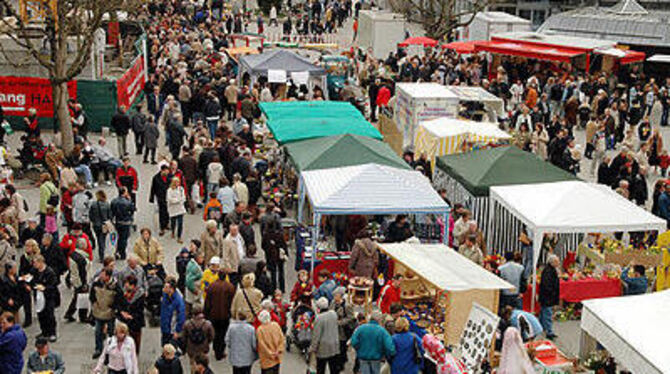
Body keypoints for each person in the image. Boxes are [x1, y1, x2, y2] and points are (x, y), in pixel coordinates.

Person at [90, 268, 123, 359]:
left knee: (111, 333)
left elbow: (119, 298)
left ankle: (110, 350)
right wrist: (94, 304)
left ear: (108, 276)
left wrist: (113, 308)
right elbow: (92, 296)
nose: (101, 276)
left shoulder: (115, 286)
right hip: (98, 311)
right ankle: (98, 349)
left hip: (109, 313)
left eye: (103, 275)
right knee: (98, 332)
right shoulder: (96, 283)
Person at [205, 269, 236, 360]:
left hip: (213, 314)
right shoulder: (230, 287)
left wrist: (206, 313)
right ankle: (221, 350)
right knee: (222, 333)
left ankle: (216, 349)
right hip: (225, 315)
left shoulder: (212, 286)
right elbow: (232, 302)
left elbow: (208, 301)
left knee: (215, 332)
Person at [32, 255, 60, 342]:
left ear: (41, 262)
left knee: (49, 315)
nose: (34, 265)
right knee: (41, 314)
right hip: (38, 296)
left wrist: (44, 288)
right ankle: (44, 331)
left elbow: (53, 285)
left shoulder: (49, 272)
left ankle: (52, 333)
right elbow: (32, 281)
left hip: (49, 297)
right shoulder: (34, 271)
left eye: (35, 263)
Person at [310, 297, 340, 374]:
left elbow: (316, 335)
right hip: (334, 345)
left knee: (320, 368)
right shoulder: (334, 314)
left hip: (322, 348)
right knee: (334, 369)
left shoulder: (319, 318)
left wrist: (313, 348)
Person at [116, 274, 145, 354]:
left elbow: (140, 309)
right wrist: (121, 312)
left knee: (135, 341)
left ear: (133, 286)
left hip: (135, 322)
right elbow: (118, 304)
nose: (125, 286)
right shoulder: (122, 293)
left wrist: (130, 316)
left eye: (127, 284)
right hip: (124, 321)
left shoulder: (140, 295)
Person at [183, 304, 215, 372]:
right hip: (203, 348)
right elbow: (212, 336)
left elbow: (184, 337)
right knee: (203, 366)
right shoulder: (207, 324)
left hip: (191, 349)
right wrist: (207, 342)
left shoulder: (187, 324)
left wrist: (186, 347)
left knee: (193, 365)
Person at [256, 309, 285, 374]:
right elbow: (282, 338)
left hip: (266, 359)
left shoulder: (260, 329)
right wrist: (278, 350)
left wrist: (270, 353)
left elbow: (261, 344)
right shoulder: (276, 325)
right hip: (277, 357)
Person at [538, 255, 560, 340]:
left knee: (544, 313)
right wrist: (553, 292)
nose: (558, 263)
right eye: (557, 261)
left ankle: (541, 328)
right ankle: (549, 332)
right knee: (547, 314)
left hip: (545, 297)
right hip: (548, 297)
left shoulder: (549, 270)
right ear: (553, 262)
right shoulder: (549, 271)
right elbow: (547, 285)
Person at [160, 277, 186, 346]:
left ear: (171, 288)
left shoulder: (178, 300)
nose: (163, 289)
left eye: (166, 287)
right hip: (165, 328)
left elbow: (181, 317)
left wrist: (177, 331)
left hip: (172, 331)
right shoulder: (165, 295)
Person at [111, 187, 135, 260]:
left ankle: (117, 251)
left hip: (118, 221)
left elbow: (111, 211)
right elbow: (132, 209)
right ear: (124, 193)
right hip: (125, 222)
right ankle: (122, 253)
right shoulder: (127, 202)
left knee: (120, 237)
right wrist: (130, 200)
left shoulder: (114, 201)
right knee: (124, 239)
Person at [261, 225, 287, 292]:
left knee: (273, 272)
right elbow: (284, 245)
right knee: (281, 272)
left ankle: (273, 287)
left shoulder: (266, 235)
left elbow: (263, 245)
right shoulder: (280, 235)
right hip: (280, 256)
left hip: (270, 257)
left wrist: (268, 251)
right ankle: (282, 287)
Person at [89, 190, 112, 262]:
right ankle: (102, 253)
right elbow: (110, 216)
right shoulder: (107, 204)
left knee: (99, 238)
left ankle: (101, 253)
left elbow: (90, 215)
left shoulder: (93, 204)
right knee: (103, 239)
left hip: (96, 225)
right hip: (104, 225)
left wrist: (93, 221)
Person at [150, 165, 172, 236]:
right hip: (160, 197)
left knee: (168, 211)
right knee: (162, 213)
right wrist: (152, 198)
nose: (167, 172)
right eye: (166, 170)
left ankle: (167, 224)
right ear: (162, 170)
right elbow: (153, 188)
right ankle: (162, 227)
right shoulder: (156, 178)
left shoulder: (170, 177)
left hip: (168, 197)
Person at [167, 177, 187, 243]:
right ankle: (173, 231)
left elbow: (183, 198)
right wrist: (177, 200)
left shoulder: (181, 189)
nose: (177, 183)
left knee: (180, 223)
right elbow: (169, 199)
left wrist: (178, 200)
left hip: (180, 208)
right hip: (173, 209)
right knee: (173, 222)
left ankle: (179, 236)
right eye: (176, 182)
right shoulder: (169, 190)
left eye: (178, 182)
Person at [185, 251, 204, 316]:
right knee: (191, 309)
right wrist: (194, 290)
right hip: (193, 293)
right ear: (198, 258)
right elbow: (188, 281)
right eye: (201, 257)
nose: (203, 259)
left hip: (191, 293)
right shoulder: (194, 267)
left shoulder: (192, 264)